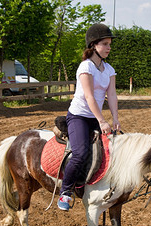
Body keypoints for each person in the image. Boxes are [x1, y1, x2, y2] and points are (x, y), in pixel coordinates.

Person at [58, 23, 121, 211]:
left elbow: (112, 95)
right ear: (94, 45)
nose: (109, 48)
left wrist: (115, 118)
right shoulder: (86, 67)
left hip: (95, 116)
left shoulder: (109, 69)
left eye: (110, 44)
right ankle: (65, 192)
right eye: (105, 44)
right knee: (80, 153)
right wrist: (102, 120)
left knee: (113, 148)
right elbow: (89, 96)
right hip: (78, 116)